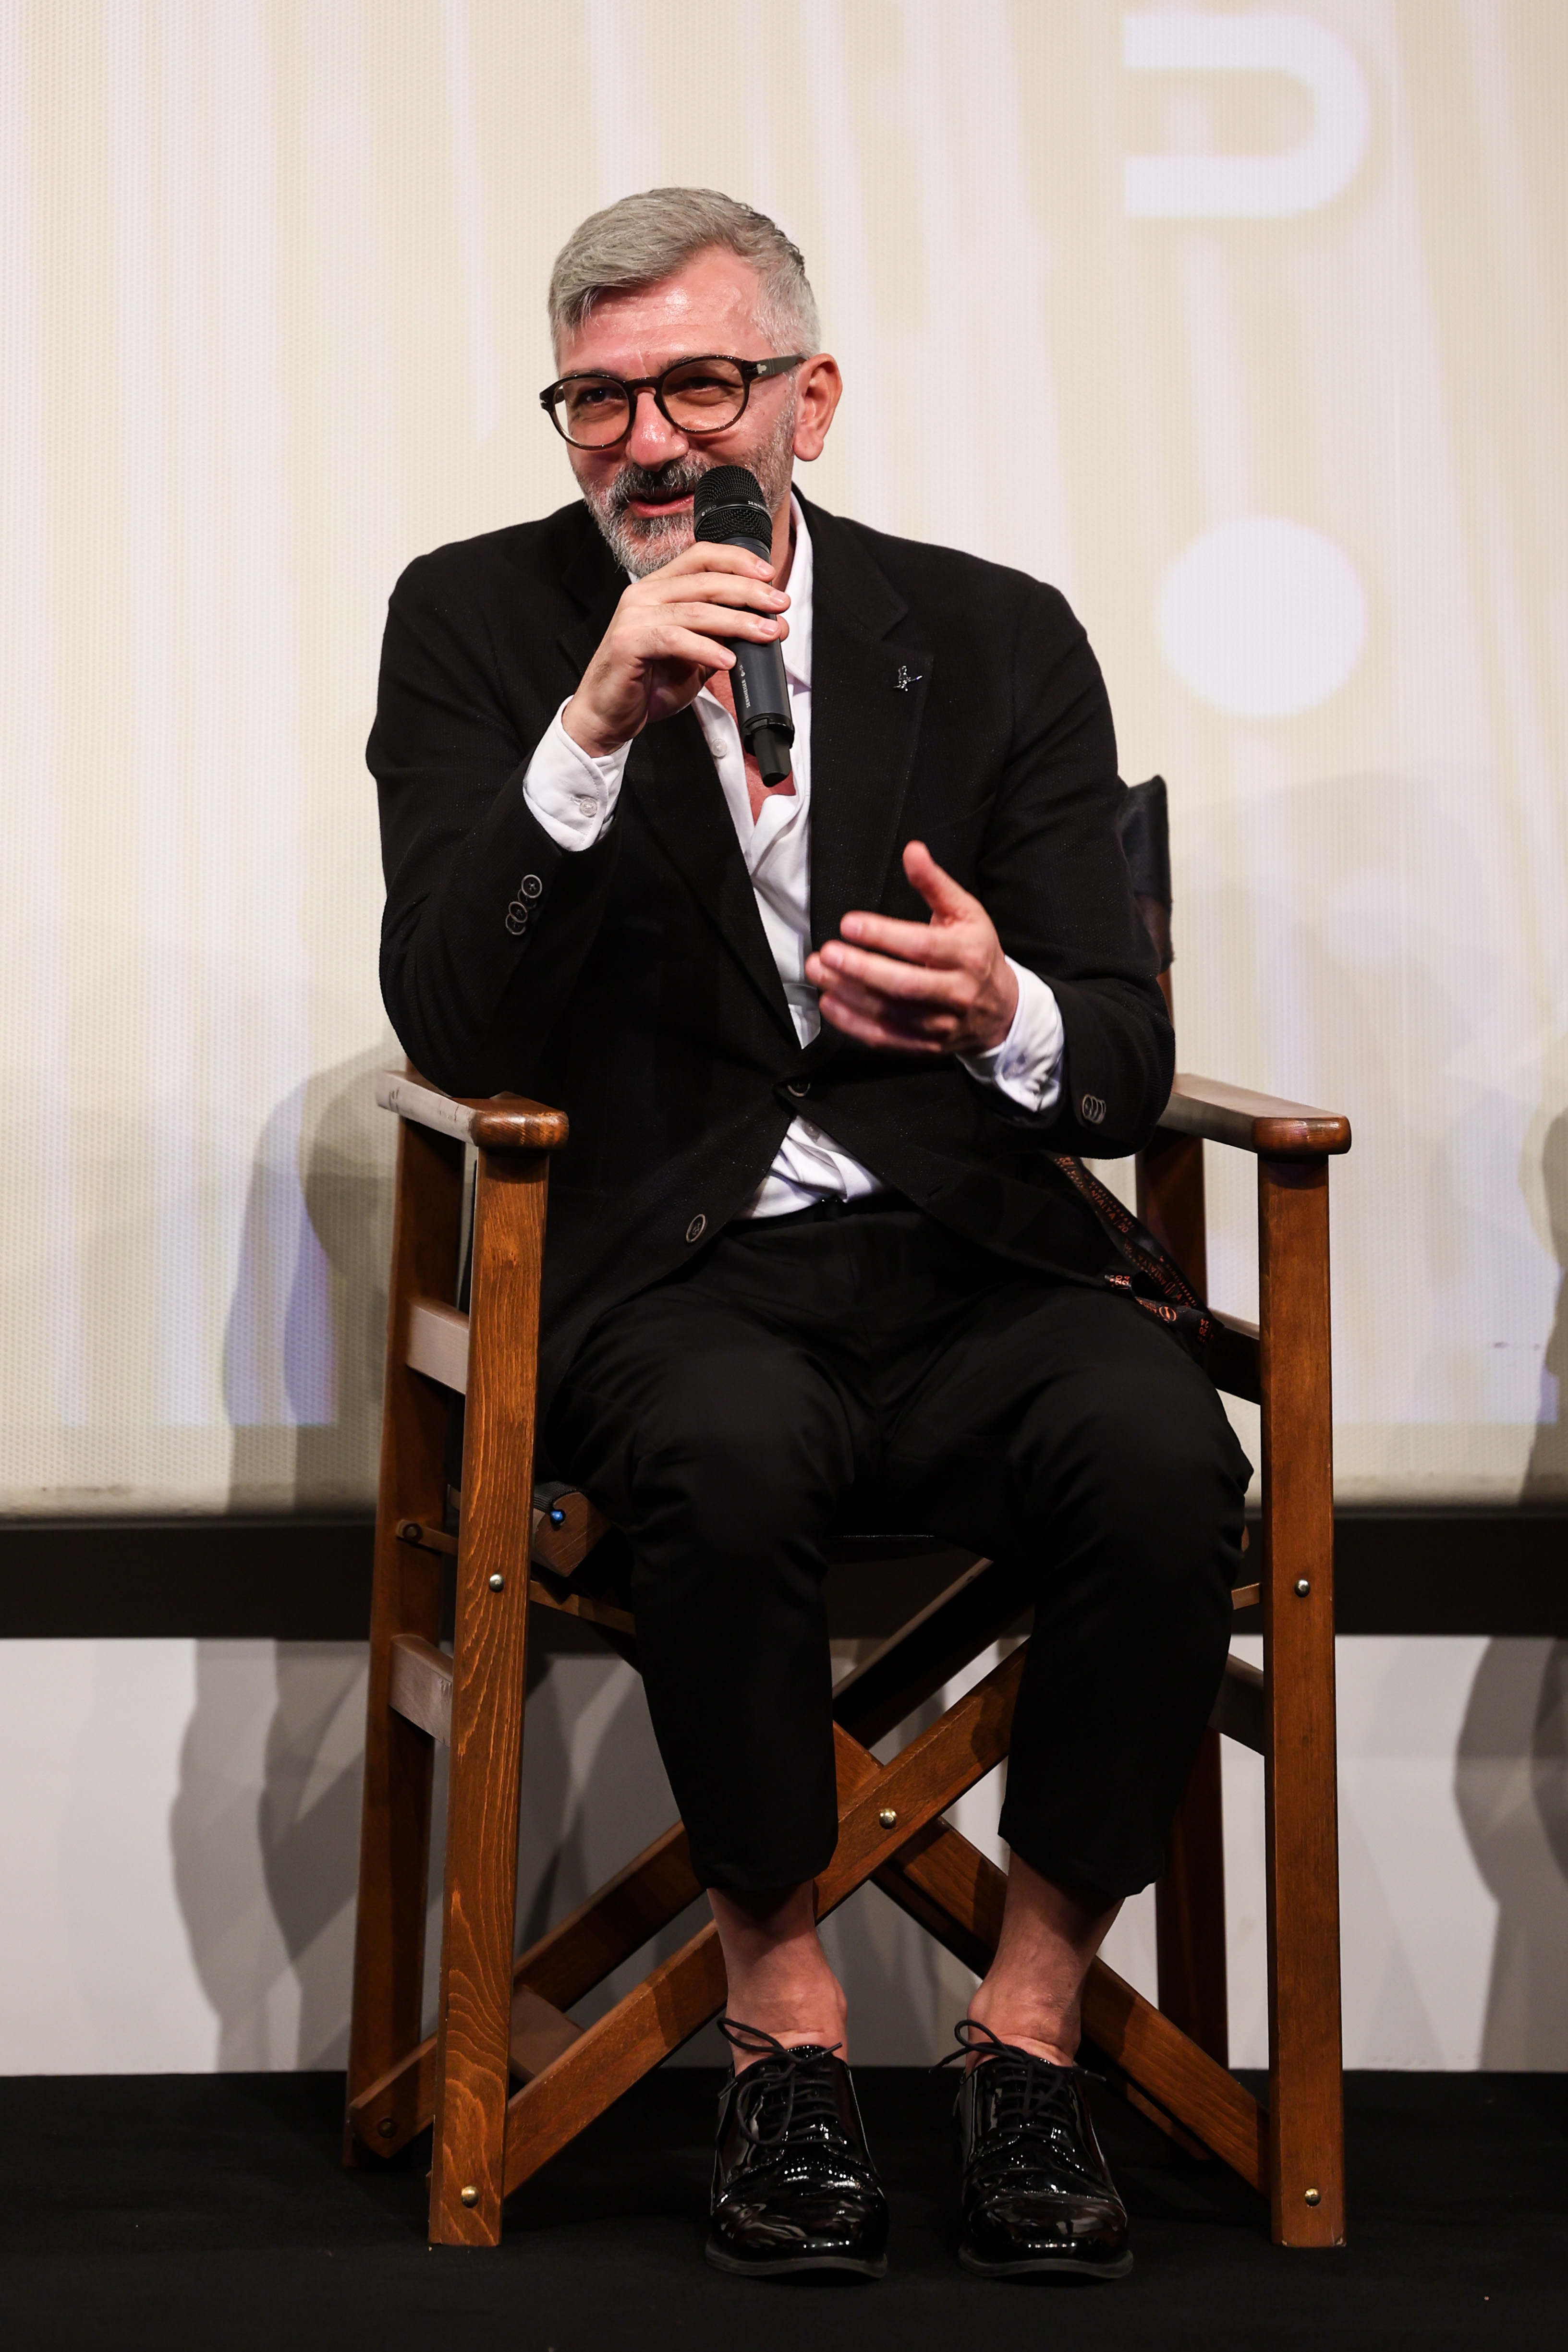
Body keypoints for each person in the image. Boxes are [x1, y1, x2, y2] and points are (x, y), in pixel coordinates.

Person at [371, 187, 1249, 2283]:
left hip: (965, 1257)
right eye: (598, 400)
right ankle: (784, 2027)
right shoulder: (479, 621)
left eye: (699, 385)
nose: (649, 442)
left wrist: (1004, 1008)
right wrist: (588, 732)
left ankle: (1029, 2031)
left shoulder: (997, 633)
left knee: (1158, 1453)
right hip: (673, 1278)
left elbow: (1120, 1048)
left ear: (809, 399)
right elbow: (451, 1017)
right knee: (728, 1451)